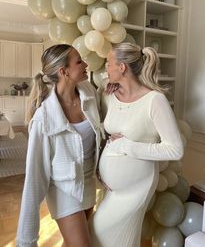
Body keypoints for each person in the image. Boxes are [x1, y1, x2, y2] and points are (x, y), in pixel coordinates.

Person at [89, 42, 184, 247]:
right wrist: (99, 166)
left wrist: (127, 146)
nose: (106, 67)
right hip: (113, 188)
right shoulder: (110, 96)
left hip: (137, 188)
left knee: (100, 233)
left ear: (122, 67)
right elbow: (108, 134)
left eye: (108, 63)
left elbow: (175, 149)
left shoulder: (155, 100)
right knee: (105, 238)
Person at [16, 44, 103, 247]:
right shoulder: (44, 119)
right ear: (63, 71)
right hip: (63, 190)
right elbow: (34, 177)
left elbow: (101, 128)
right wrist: (26, 240)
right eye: (79, 61)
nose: (86, 64)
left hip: (88, 184)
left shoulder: (89, 94)